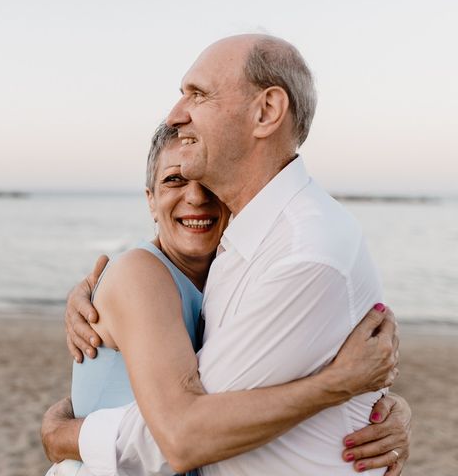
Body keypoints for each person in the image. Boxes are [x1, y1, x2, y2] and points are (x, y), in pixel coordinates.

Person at [42, 115, 411, 475]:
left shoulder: (231, 273)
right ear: (151, 201)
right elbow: (178, 436)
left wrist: (379, 407)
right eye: (174, 181)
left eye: (208, 181)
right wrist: (338, 384)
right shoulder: (142, 273)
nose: (196, 197)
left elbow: (252, 379)